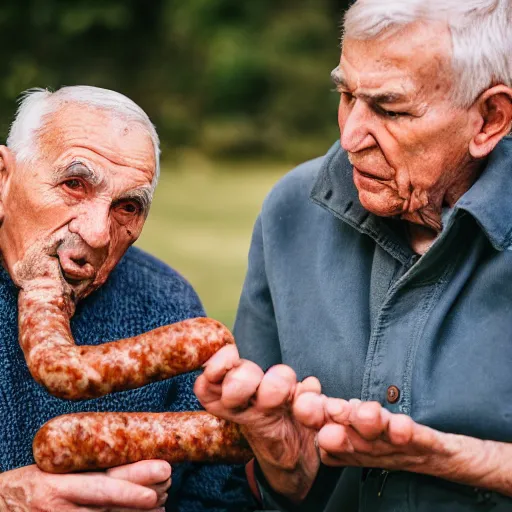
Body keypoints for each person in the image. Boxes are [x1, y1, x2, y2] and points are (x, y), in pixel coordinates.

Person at [194, 0, 512, 510]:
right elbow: (253, 484)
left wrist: (443, 457)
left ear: (489, 120)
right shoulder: (291, 211)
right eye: (345, 94)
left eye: (389, 109)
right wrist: (281, 463)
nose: (349, 137)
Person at [0, 86, 255, 511]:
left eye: (127, 207)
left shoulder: (168, 307)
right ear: (4, 178)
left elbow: (217, 498)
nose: (97, 234)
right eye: (74, 184)